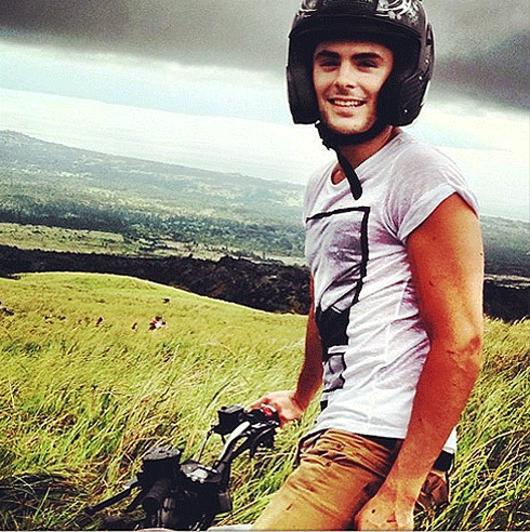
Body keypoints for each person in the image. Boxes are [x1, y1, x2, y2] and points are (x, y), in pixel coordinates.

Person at [251, 0, 484, 530]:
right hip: (338, 427)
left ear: (400, 78)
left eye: (366, 63)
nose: (343, 80)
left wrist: (402, 491)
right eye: (328, 61)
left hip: (384, 436)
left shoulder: (424, 178)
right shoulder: (323, 182)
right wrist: (301, 397)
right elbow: (327, 302)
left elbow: (462, 341)